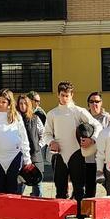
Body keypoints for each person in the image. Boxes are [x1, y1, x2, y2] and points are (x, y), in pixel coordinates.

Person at [44, 81, 100, 209]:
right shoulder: (52, 113)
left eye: (67, 95)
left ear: (72, 95)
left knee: (79, 189)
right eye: (62, 95)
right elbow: (46, 133)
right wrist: (51, 142)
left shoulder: (79, 111)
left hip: (77, 155)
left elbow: (97, 125)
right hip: (59, 155)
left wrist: (92, 140)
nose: (65, 98)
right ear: (58, 95)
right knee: (60, 191)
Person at [16, 93, 45, 197]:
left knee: (37, 185)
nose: (22, 106)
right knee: (19, 185)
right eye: (20, 103)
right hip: (20, 156)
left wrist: (38, 146)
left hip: (35, 156)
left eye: (25, 103)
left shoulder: (35, 118)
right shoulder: (15, 119)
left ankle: (38, 208)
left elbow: (44, 134)